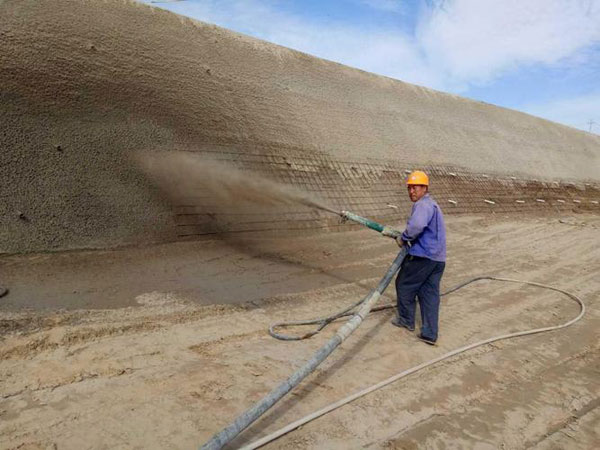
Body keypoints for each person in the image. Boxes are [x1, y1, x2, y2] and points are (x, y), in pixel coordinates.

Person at [391, 170, 446, 345]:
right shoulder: (433, 205)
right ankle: (430, 333)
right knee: (429, 294)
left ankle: (406, 320)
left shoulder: (423, 205)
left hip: (423, 256)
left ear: (425, 188)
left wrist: (404, 238)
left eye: (416, 187)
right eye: (410, 188)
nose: (412, 191)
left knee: (404, 284)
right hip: (438, 259)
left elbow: (417, 225)